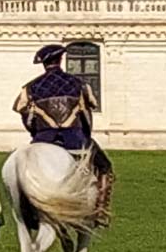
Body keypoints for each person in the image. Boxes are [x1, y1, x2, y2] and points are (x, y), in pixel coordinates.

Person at [15, 43, 114, 227]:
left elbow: (23, 112)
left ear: (44, 64)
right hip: (74, 138)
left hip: (43, 139)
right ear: (60, 60)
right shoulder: (78, 84)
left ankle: (26, 211)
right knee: (105, 167)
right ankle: (99, 211)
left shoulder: (30, 87)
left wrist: (37, 130)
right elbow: (88, 108)